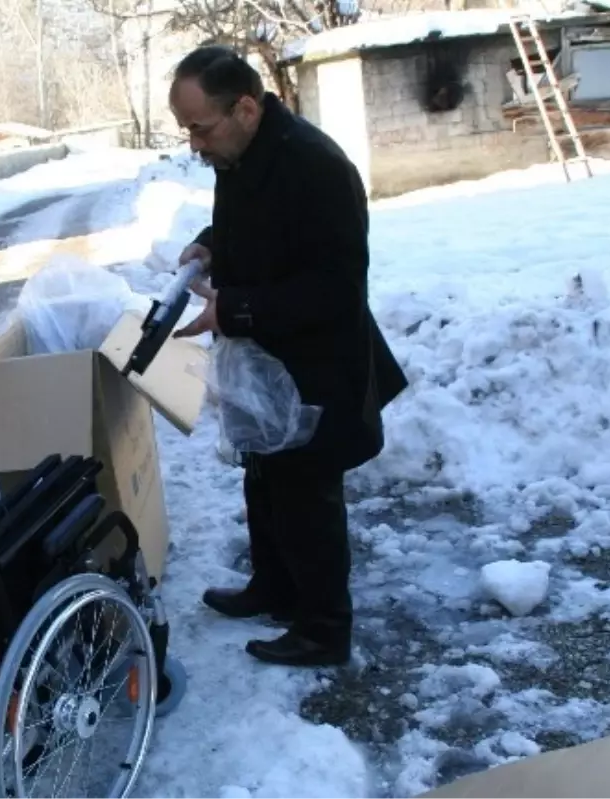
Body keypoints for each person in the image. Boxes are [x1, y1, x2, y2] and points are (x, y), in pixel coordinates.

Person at [170, 46, 409, 668]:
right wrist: (207, 247)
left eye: (200, 127)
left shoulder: (315, 165)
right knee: (264, 478)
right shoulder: (243, 151)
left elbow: (335, 288)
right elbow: (251, 225)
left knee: (307, 496)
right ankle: (273, 587)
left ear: (246, 108)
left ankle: (324, 629)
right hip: (265, 361)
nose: (194, 144)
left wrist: (234, 311)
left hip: (316, 366)